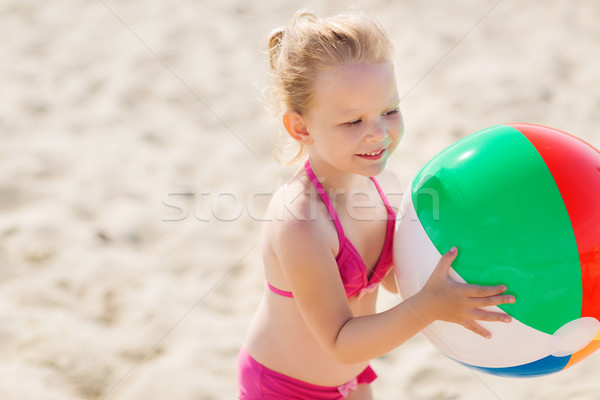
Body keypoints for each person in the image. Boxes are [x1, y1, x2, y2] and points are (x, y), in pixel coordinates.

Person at [239, 9, 515, 400]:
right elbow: (340, 339)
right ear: (301, 128)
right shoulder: (300, 222)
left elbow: (393, 276)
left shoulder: (385, 183)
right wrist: (429, 306)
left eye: (389, 111)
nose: (379, 134)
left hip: (354, 375)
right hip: (287, 388)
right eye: (353, 122)